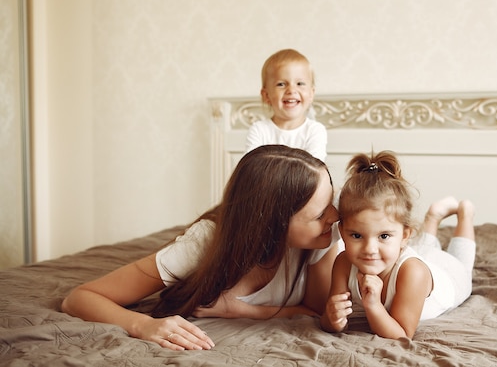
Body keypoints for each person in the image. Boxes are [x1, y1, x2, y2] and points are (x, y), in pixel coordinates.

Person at [62, 145, 341, 351]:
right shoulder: (203, 243)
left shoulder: (322, 239)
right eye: (319, 215)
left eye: (331, 202)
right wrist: (143, 324)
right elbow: (79, 298)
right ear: (274, 223)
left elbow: (315, 311)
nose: (335, 216)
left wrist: (242, 311)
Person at [320, 151, 476, 339]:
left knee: (462, 267)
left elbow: (402, 335)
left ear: (404, 236)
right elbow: (331, 322)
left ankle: (465, 214)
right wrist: (331, 318)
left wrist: (373, 305)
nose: (370, 249)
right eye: (357, 235)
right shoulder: (343, 263)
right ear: (342, 232)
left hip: (449, 275)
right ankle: (433, 218)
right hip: (418, 254)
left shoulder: (413, 273)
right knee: (426, 250)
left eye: (383, 235)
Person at [245, 48, 327, 161]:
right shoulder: (259, 130)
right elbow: (252, 167)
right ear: (266, 95)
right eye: (281, 84)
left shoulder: (315, 130)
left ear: (311, 94)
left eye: (300, 83)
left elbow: (313, 171)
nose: (291, 90)